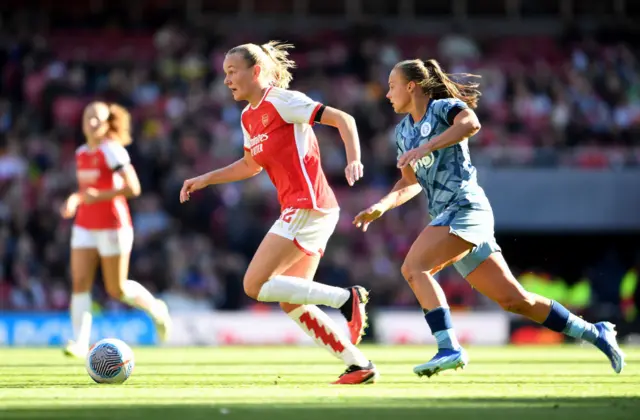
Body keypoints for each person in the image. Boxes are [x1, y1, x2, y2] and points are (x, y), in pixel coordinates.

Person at [353, 58, 625, 377]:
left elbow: (470, 124)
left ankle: (448, 347)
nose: (387, 94)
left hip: (466, 207)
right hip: (449, 216)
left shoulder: (443, 109)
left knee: (414, 267)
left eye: (391, 85)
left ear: (411, 86)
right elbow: (410, 183)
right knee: (515, 300)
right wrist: (382, 206)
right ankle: (597, 333)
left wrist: (428, 146)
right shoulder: (402, 132)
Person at [179, 41, 378, 384]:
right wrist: (206, 179)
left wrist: (354, 158)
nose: (226, 80)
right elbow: (250, 164)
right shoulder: (248, 116)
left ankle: (347, 298)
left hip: (308, 205)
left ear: (255, 72)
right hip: (305, 208)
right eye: (224, 73)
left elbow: (343, 118)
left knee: (254, 284)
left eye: (232, 72)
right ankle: (358, 363)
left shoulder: (282, 101)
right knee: (291, 300)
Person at [61, 102, 172, 358]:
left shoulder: (112, 151)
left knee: (117, 289)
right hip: (84, 225)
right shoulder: (81, 153)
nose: (91, 123)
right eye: (88, 118)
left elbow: (133, 188)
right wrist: (74, 200)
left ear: (106, 124)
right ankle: (79, 342)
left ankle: (156, 309)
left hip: (113, 224)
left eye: (97, 120)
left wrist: (97, 195)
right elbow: (86, 191)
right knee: (80, 282)